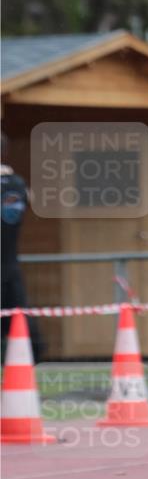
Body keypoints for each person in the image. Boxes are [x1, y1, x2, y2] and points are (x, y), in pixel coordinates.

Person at [1, 133, 42, 362]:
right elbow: (30, 199)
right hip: (11, 266)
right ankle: (29, 368)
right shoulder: (19, 184)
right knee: (20, 325)